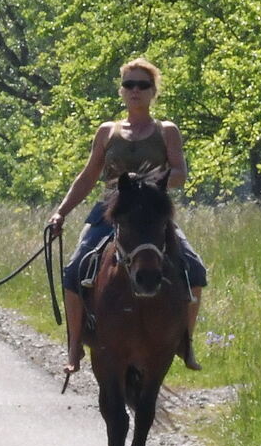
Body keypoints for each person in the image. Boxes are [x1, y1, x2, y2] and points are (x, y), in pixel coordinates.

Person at [47, 58, 207, 374]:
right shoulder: (108, 131)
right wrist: (60, 213)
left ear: (153, 92)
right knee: (74, 269)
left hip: (151, 214)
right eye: (129, 85)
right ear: (121, 91)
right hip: (112, 211)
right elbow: (89, 174)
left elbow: (179, 173)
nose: (135, 90)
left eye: (142, 85)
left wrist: (145, 182)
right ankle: (75, 345)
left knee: (195, 269)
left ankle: (185, 343)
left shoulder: (166, 131)